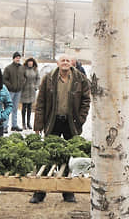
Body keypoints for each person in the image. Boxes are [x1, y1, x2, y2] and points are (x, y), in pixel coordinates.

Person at [30, 53, 91, 204]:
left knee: (70, 157)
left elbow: (86, 100)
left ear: (72, 63)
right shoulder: (49, 78)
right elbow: (41, 102)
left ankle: (68, 192)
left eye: (67, 60)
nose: (65, 62)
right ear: (57, 63)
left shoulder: (80, 79)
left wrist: (81, 119)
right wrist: (38, 125)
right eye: (62, 60)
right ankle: (39, 192)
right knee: (47, 156)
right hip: (53, 122)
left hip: (71, 123)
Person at [3, 52, 25, 132]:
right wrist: (10, 86)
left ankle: (14, 125)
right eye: (16, 57)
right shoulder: (8, 68)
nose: (18, 59)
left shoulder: (22, 68)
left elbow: (24, 77)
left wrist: (22, 84)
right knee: (8, 108)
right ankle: (4, 126)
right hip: (10, 91)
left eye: (19, 57)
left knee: (15, 109)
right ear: (13, 58)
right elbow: (4, 79)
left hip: (18, 91)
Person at [20, 57, 40, 130]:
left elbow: (38, 78)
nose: (30, 64)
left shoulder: (35, 70)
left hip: (32, 90)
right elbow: (20, 77)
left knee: (29, 107)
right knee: (24, 107)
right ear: (27, 63)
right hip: (24, 90)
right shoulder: (24, 69)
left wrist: (36, 86)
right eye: (29, 62)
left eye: (31, 62)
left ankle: (28, 123)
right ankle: (23, 123)